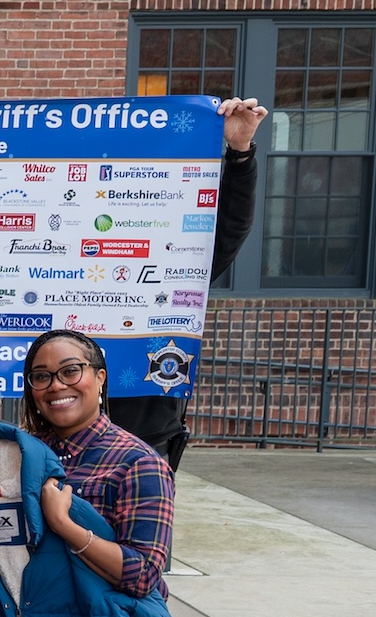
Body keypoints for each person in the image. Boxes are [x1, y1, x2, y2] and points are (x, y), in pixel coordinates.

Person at [104, 97, 269, 468]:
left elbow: (230, 228)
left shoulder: (174, 260)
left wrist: (239, 153)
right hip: (57, 437)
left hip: (144, 440)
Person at [23, 330, 175, 599]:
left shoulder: (138, 463)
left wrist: (62, 524)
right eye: (42, 376)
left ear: (100, 378)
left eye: (70, 371)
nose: (56, 385)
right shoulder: (22, 453)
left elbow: (143, 575)